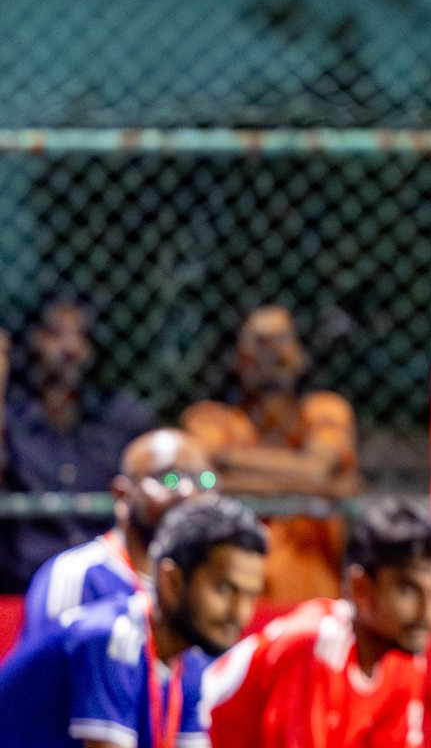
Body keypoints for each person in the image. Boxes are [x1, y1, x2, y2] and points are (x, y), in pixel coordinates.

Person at [0, 495, 267, 748]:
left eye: (251, 595)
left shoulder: (189, 664)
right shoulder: (112, 638)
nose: (240, 613)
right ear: (171, 581)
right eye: (223, 589)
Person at [201, 498, 431, 748]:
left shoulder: (404, 656)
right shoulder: (315, 643)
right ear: (361, 588)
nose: (427, 613)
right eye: (408, 590)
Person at [181, 305, 358, 604]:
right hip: (231, 603)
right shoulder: (209, 418)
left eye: (282, 339)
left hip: (312, 603)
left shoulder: (325, 411)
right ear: (237, 358)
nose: (272, 353)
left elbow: (319, 467)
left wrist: (229, 465)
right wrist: (322, 485)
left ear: (301, 354)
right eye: (259, 342)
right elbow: (201, 477)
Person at [1, 291, 155, 590]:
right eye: (55, 333)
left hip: (106, 579)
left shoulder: (118, 418)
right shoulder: (12, 420)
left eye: (79, 335)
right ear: (32, 340)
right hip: (25, 581)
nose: (69, 348)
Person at [21, 428, 216, 642]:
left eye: (202, 481)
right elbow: (46, 671)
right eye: (168, 478)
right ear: (122, 495)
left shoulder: (195, 590)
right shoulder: (77, 575)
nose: (187, 492)